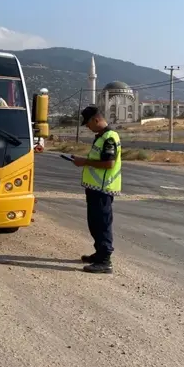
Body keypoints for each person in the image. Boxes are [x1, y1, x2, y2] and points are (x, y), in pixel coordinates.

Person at [71, 105, 122, 274]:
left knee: (102, 224)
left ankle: (105, 260)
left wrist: (84, 162)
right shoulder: (100, 136)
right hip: (95, 188)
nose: (87, 126)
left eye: (88, 123)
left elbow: (109, 163)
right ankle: (99, 253)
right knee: (94, 223)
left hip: (103, 189)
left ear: (96, 119)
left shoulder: (109, 137)